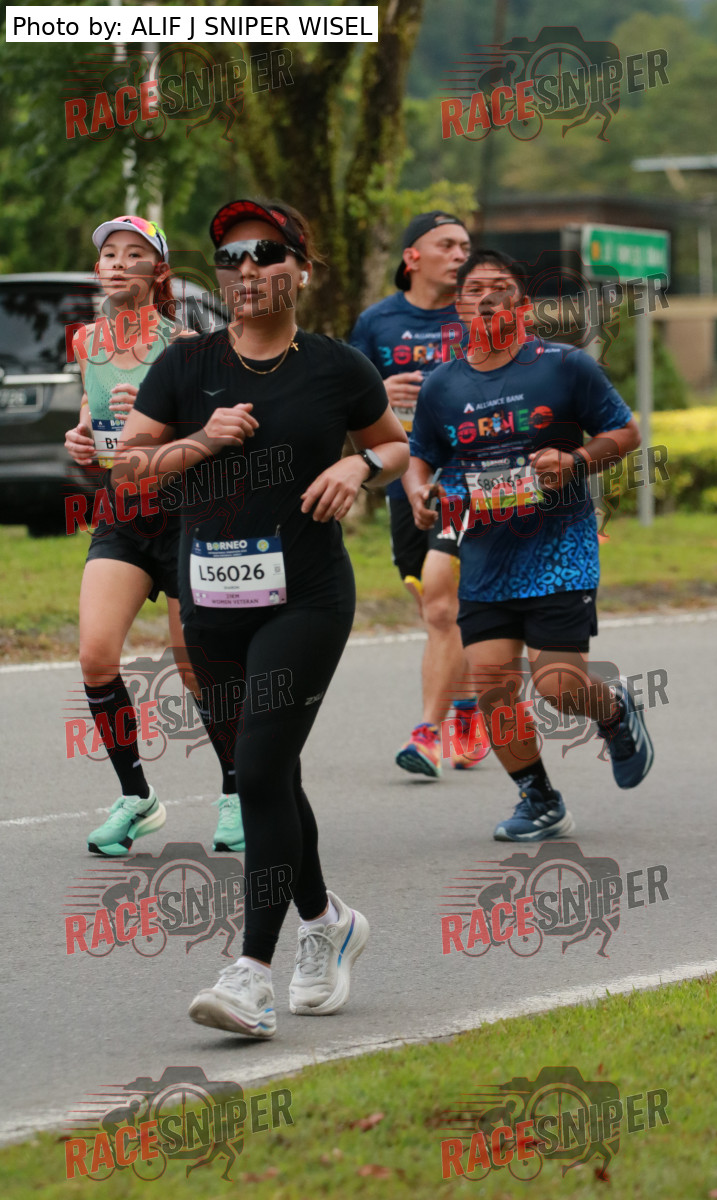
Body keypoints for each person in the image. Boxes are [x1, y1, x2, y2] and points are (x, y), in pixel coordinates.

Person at [114, 198, 409, 1037]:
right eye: (232, 257)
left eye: (266, 253)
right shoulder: (186, 365)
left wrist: (359, 468)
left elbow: (396, 446)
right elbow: (129, 468)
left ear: (300, 270)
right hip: (209, 603)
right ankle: (327, 923)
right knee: (270, 773)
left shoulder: (337, 367)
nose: (246, 269)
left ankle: (250, 973)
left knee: (260, 765)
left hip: (306, 598)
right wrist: (202, 441)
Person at [404, 249, 654, 842]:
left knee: (558, 685)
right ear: (459, 307)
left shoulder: (564, 366)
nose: (487, 296)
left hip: (559, 550)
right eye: (474, 289)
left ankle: (614, 709)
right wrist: (418, 490)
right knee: (493, 687)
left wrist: (575, 460)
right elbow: (421, 457)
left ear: (521, 303)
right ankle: (538, 798)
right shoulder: (443, 385)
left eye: (501, 286)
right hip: (484, 556)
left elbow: (626, 432)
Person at [64, 215, 243, 856]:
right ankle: (137, 798)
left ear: (159, 271)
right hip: (122, 513)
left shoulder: (186, 344)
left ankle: (237, 790)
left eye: (133, 254)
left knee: (197, 669)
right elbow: (93, 425)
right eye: (109, 254)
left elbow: (212, 434)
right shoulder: (86, 340)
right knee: (95, 657)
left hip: (187, 514)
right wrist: (80, 438)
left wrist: (156, 423)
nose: (117, 263)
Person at [350, 211, 490, 776]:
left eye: (465, 246)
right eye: (447, 245)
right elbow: (346, 404)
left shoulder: (479, 316)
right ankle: (470, 705)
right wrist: (379, 392)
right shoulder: (377, 322)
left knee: (442, 606)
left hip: (471, 479)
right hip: (406, 482)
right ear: (412, 257)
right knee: (438, 613)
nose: (460, 255)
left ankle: (429, 733)